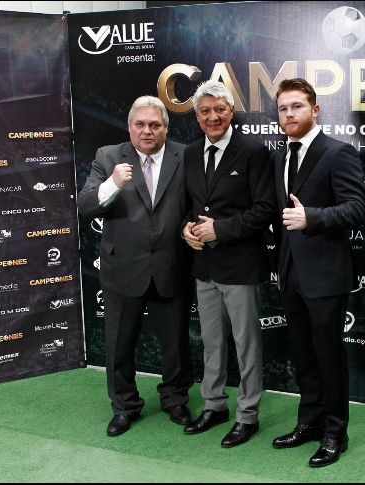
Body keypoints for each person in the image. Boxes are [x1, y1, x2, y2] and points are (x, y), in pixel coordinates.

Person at [77, 95, 194, 436]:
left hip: (172, 265)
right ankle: (124, 406)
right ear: (129, 127)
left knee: (176, 343)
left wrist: (190, 225)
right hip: (123, 267)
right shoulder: (108, 157)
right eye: (140, 124)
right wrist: (113, 183)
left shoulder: (184, 155)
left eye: (155, 125)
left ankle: (175, 399)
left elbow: (194, 203)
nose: (147, 131)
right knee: (119, 344)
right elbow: (86, 206)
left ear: (166, 129)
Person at [270, 78, 365, 467]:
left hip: (325, 275)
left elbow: (357, 209)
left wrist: (311, 217)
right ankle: (308, 423)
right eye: (282, 108)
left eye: (296, 106)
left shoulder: (337, 153)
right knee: (303, 356)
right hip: (290, 273)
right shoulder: (279, 156)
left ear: (315, 110)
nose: (289, 114)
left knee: (328, 357)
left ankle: (334, 433)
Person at [181, 80, 274, 447]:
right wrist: (185, 230)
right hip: (204, 266)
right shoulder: (189, 154)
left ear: (231, 112)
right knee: (212, 343)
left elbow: (265, 210)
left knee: (246, 345)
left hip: (241, 266)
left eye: (219, 109)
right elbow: (190, 207)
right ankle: (214, 405)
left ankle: (247, 415)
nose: (212, 116)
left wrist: (219, 229)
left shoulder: (253, 151)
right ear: (197, 117)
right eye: (205, 111)